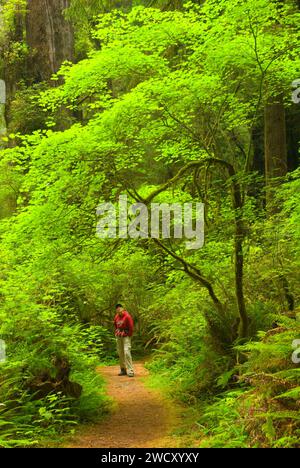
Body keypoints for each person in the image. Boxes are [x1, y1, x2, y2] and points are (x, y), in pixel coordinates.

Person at [114, 304, 134, 377]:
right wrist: (117, 332)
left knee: (127, 352)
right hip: (119, 336)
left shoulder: (127, 316)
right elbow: (115, 325)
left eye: (120, 309)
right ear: (116, 310)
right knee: (120, 352)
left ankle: (130, 371)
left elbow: (131, 327)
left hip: (126, 336)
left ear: (123, 309)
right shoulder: (116, 316)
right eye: (117, 310)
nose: (119, 310)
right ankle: (123, 369)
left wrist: (128, 335)